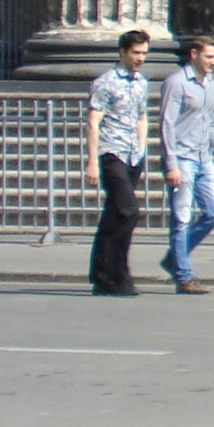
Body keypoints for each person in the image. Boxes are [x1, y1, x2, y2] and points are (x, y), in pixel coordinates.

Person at [158, 36, 214, 295]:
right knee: (181, 217)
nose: (213, 62)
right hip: (182, 158)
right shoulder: (176, 82)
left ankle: (175, 258)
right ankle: (183, 276)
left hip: (204, 158)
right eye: (208, 57)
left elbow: (213, 122)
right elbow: (167, 123)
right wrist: (171, 164)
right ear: (194, 55)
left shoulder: (211, 83)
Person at [85, 29, 152, 298]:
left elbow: (142, 117)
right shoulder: (106, 82)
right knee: (128, 211)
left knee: (115, 214)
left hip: (133, 154)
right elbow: (93, 122)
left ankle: (105, 276)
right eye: (136, 53)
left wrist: (141, 147)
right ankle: (117, 273)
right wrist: (92, 161)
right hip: (111, 152)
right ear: (123, 52)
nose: (140, 58)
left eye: (144, 53)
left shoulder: (142, 82)